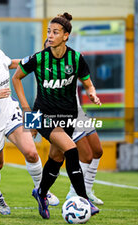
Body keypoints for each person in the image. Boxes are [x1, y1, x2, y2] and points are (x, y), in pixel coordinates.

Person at [12, 12, 101, 219]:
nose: (50, 36)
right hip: (41, 114)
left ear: (66, 35)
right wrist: (26, 109)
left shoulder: (76, 58)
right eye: (48, 32)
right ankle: (84, 199)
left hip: (68, 115)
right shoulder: (39, 58)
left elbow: (87, 83)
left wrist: (92, 93)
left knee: (56, 157)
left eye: (55, 32)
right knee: (71, 150)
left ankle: (41, 192)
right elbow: (16, 78)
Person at [0, 25, 58, 216]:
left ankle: (42, 191)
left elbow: (12, 63)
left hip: (10, 111)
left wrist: (35, 60)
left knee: (31, 152)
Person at [43, 38, 104, 205]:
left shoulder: (71, 61)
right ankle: (73, 193)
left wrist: (92, 93)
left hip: (78, 112)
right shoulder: (44, 71)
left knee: (98, 151)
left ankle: (88, 190)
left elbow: (86, 81)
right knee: (85, 155)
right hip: (63, 116)